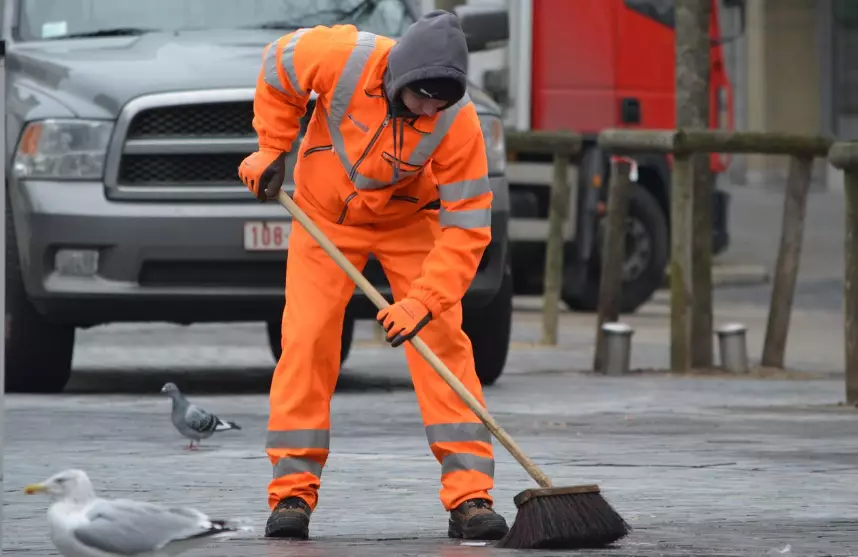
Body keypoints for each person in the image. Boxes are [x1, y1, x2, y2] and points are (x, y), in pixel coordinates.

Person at [238, 10, 508, 542]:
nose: (431, 109)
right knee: (308, 339)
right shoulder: (339, 55)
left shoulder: (459, 121)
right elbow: (277, 67)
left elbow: (468, 228)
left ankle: (470, 495)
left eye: (441, 101)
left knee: (442, 340)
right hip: (324, 218)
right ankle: (292, 493)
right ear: (398, 76)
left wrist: (425, 301)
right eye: (422, 98)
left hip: (411, 221)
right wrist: (273, 146)